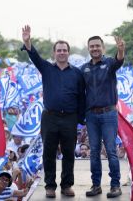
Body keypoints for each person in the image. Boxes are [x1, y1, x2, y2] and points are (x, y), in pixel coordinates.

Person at [21, 25, 85, 198]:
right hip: (50, 117)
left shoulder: (77, 74)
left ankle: (66, 185)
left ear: (68, 53)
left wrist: (81, 119)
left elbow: (81, 97)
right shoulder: (47, 69)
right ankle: (50, 186)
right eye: (59, 50)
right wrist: (28, 42)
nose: (62, 53)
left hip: (70, 119)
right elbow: (35, 57)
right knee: (48, 153)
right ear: (54, 53)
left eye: (64, 50)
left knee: (69, 153)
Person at [81, 35, 125, 198]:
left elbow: (119, 60)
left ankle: (115, 185)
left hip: (109, 114)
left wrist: (121, 50)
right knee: (94, 152)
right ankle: (96, 185)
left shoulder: (109, 64)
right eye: (92, 46)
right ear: (89, 48)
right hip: (91, 115)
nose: (95, 49)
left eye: (97, 46)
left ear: (103, 48)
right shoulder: (83, 69)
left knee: (111, 151)